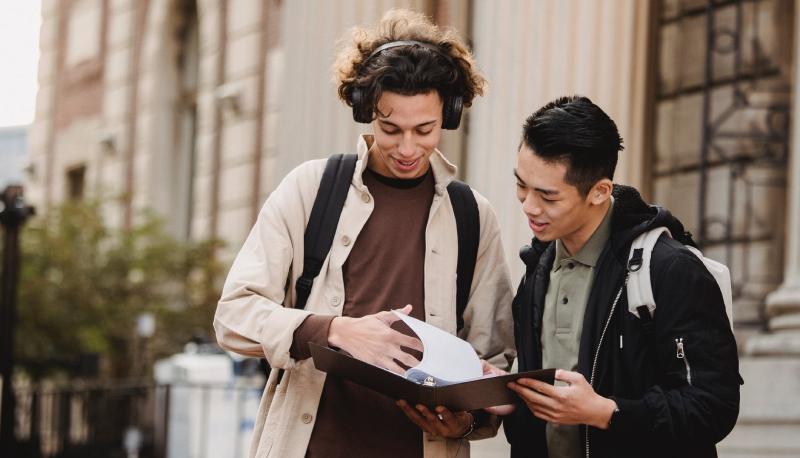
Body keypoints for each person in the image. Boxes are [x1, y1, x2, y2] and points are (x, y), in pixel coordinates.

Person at [213, 9, 514, 458]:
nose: (408, 148)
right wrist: (334, 331)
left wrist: (468, 421)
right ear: (365, 111)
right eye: (390, 129)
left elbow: (493, 358)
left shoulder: (473, 216)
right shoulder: (310, 189)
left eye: (425, 129)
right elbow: (233, 316)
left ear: (449, 116)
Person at [498, 95, 741, 457]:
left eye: (548, 196)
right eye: (521, 186)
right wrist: (496, 393)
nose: (529, 206)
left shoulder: (670, 269)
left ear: (600, 192)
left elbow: (712, 407)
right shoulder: (537, 267)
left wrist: (607, 413)